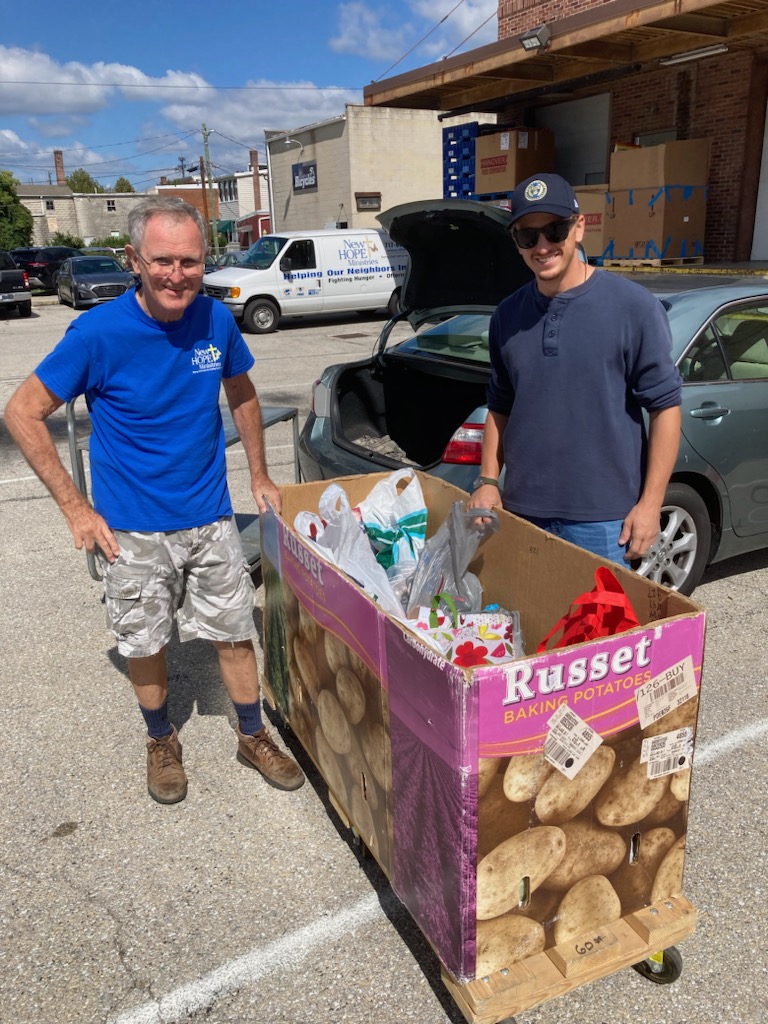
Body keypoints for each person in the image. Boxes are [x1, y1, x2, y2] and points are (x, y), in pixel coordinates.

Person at [5, 197, 304, 804]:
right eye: (163, 261)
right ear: (134, 260)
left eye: (189, 262)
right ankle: (161, 738)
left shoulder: (215, 320)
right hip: (133, 529)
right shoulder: (97, 333)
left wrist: (260, 475)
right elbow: (23, 412)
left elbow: (242, 391)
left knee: (233, 630)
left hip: (209, 517)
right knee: (144, 641)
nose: (177, 275)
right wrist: (75, 507)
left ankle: (252, 734)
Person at [468, 173, 682, 564]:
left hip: (605, 523)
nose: (543, 245)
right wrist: (487, 481)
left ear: (579, 227)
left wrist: (651, 504)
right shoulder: (507, 316)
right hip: (521, 511)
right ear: (516, 243)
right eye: (528, 236)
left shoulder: (633, 308)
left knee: (601, 627)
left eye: (555, 229)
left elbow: (665, 407)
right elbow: (500, 404)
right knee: (529, 624)